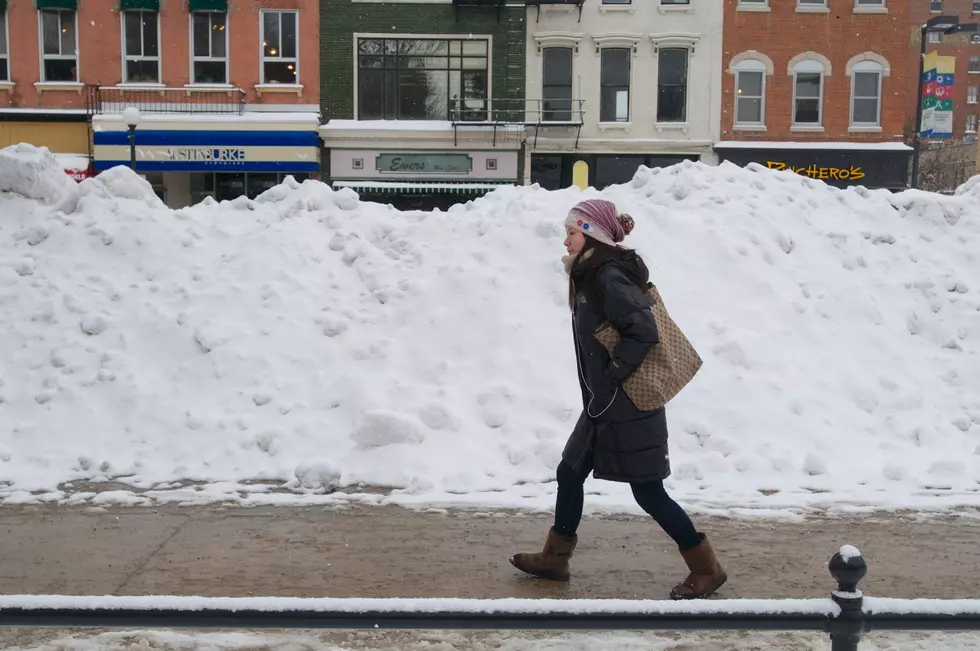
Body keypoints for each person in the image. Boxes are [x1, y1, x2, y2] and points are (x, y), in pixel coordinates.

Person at [509, 199, 727, 600]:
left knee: (648, 492)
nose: (565, 239)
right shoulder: (590, 272)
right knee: (570, 472)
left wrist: (613, 377)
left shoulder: (607, 276)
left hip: (629, 403)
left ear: (591, 234)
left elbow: (643, 331)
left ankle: (706, 568)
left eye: (572, 231)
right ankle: (555, 559)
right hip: (603, 404)